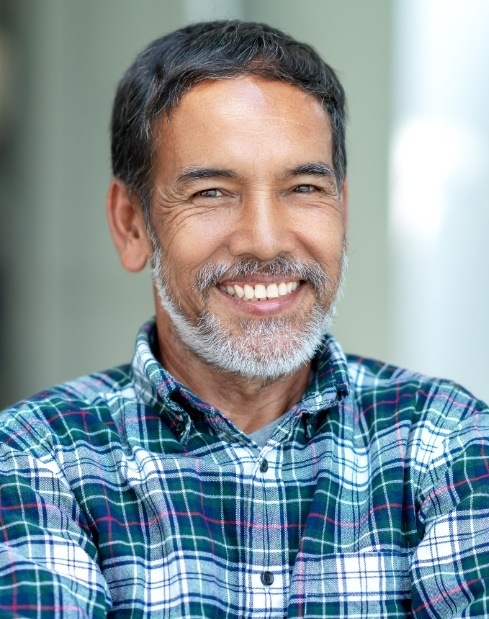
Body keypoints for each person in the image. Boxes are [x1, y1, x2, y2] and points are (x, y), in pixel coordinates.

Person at [0, 20, 488, 619]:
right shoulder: (41, 458)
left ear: (344, 206)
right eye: (212, 193)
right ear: (131, 224)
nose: (264, 240)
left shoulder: (449, 441)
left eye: (305, 187)